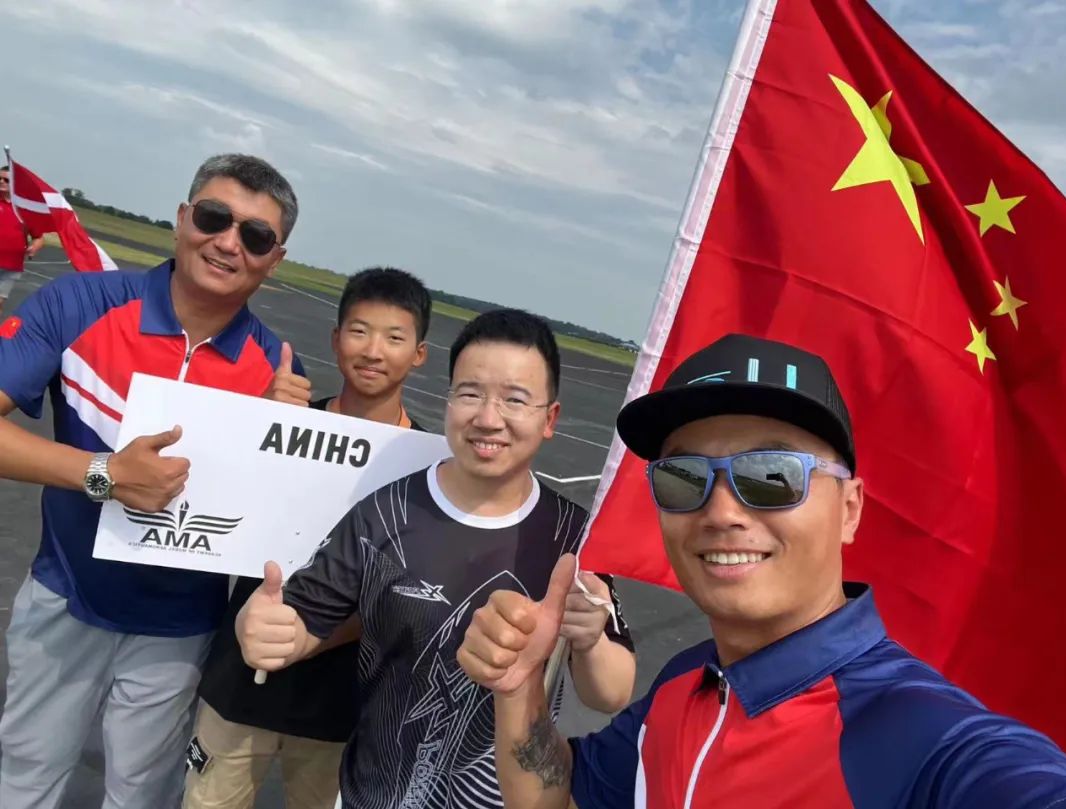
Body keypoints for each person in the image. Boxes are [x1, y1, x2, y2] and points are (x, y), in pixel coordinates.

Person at [456, 333, 1066, 809]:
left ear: (849, 509)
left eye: (773, 475)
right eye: (683, 476)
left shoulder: (925, 742)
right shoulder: (686, 683)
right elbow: (558, 796)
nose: (721, 511)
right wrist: (521, 689)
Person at [236, 309, 637, 809]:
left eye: (515, 399)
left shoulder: (574, 538)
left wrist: (591, 638)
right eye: (470, 394)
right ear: (449, 401)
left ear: (549, 419)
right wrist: (263, 630)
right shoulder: (384, 513)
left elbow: (610, 694)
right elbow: (298, 625)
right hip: (374, 796)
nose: (488, 418)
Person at [0, 153, 302, 809]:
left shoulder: (278, 371)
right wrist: (102, 473)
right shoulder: (80, 303)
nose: (228, 243)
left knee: (140, 795)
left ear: (274, 259)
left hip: (179, 629)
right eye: (215, 218)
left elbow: (277, 521)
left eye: (255, 236)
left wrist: (278, 441)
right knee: (26, 777)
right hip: (65, 596)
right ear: (183, 217)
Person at [187, 267, 433, 809]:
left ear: (419, 354)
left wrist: (315, 633)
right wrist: (258, 425)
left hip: (345, 705)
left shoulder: (427, 470)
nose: (373, 351)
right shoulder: (283, 423)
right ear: (336, 339)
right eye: (359, 331)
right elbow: (214, 500)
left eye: (394, 337)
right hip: (240, 682)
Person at [0, 163, 46, 314]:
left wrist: (34, 247)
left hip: (11, 265)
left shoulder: (25, 210)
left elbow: (38, 237)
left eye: (6, 180)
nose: (2, 182)